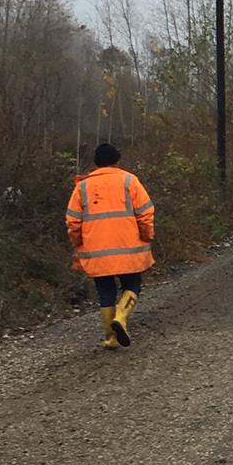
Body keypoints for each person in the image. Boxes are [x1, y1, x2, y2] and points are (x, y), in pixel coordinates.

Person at [65, 143, 155, 350]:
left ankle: (111, 338)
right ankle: (121, 317)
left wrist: (78, 242)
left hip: (96, 252)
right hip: (129, 249)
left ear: (96, 162)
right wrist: (147, 235)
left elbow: (72, 221)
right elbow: (146, 213)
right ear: (117, 159)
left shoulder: (82, 187)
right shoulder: (129, 181)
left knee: (105, 291)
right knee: (132, 285)